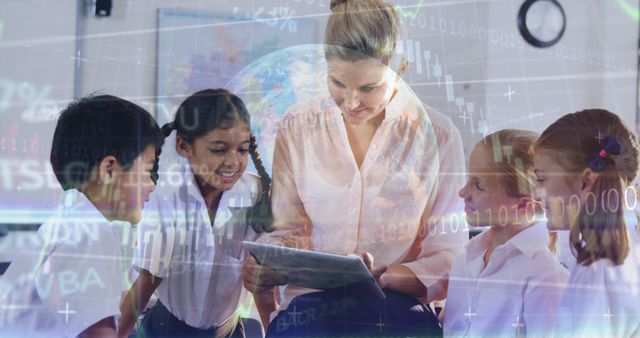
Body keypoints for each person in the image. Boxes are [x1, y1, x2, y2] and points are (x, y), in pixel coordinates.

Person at [242, 0, 467, 336]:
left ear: (400, 68)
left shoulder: (439, 135)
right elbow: (290, 231)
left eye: (368, 88)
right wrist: (268, 266)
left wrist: (388, 276)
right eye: (338, 83)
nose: (351, 103)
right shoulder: (298, 127)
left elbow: (449, 253)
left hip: (397, 307)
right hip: (311, 309)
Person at [0, 94, 163, 337]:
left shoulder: (70, 222)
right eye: (148, 170)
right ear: (109, 169)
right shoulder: (91, 234)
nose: (152, 184)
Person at [118, 89, 272, 338]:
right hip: (166, 331)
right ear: (183, 145)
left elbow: (260, 283)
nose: (233, 162)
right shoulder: (165, 197)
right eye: (219, 150)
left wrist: (274, 332)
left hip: (229, 332)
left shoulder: (255, 193)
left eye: (242, 150)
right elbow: (148, 281)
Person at [444, 129, 568, 337]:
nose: (463, 192)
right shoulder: (465, 260)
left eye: (479, 186)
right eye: (468, 180)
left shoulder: (546, 278)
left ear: (522, 207)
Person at [533, 109, 640, 337]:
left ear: (587, 181)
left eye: (542, 179)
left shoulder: (597, 268)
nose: (535, 194)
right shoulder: (618, 255)